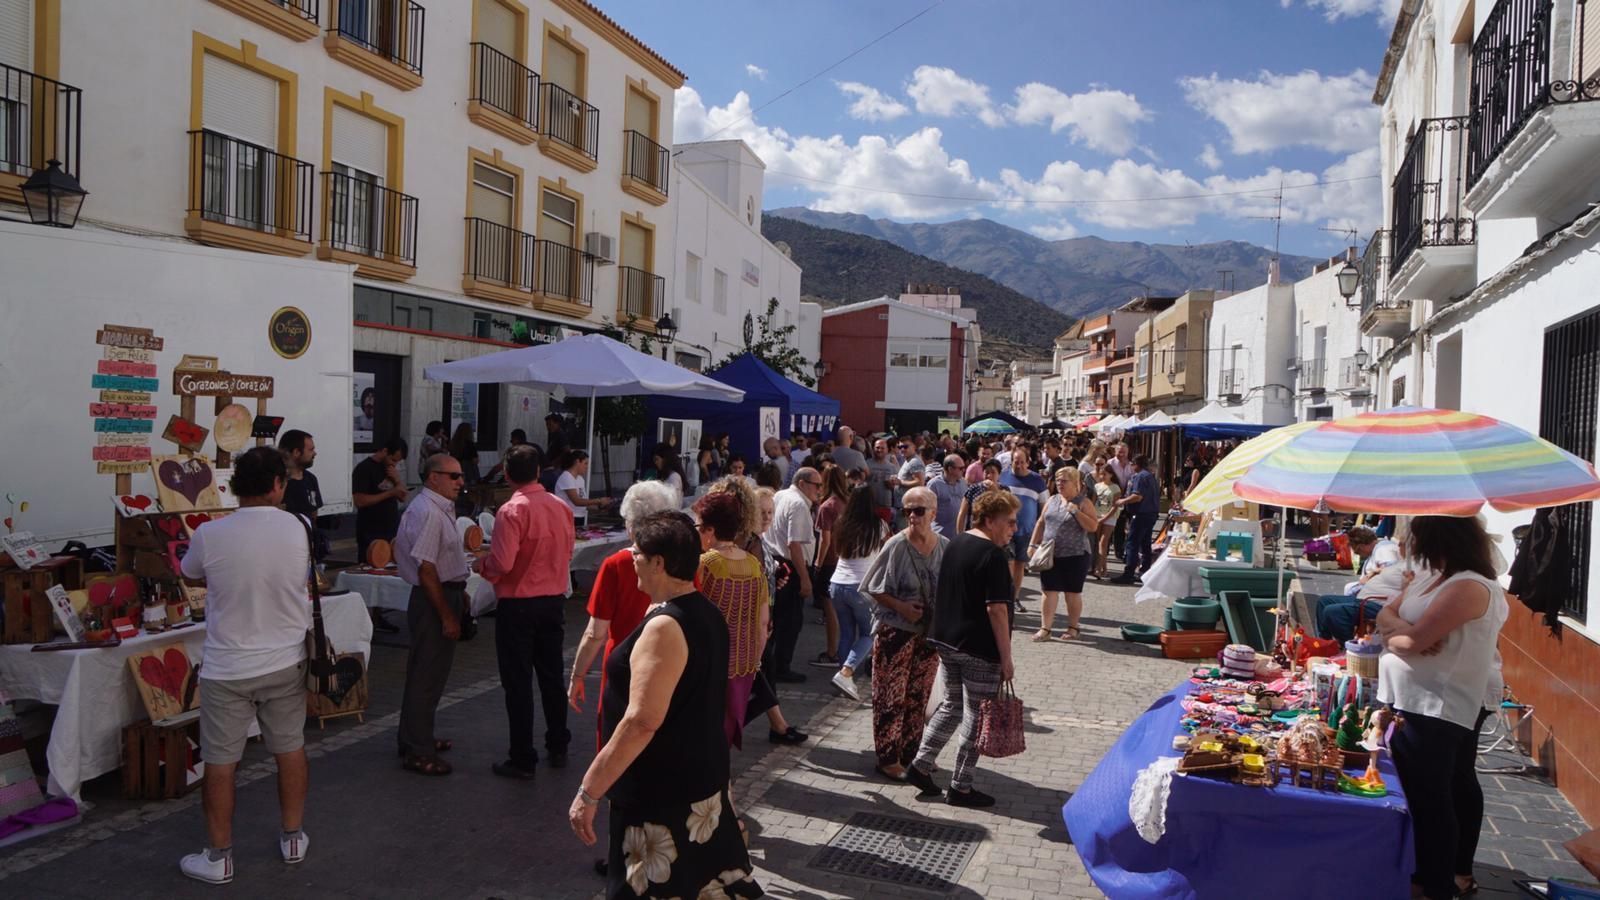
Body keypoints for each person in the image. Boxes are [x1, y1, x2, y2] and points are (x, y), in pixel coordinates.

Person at [567, 512, 761, 900]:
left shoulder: (666, 626)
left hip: (664, 794)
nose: (631, 556)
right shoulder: (702, 613)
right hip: (694, 782)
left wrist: (589, 791)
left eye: (637, 552)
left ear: (659, 562)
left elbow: (641, 721)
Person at [177, 447, 313, 884]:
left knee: (221, 761)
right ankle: (292, 837)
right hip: (285, 659)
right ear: (277, 484)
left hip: (227, 665)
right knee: (289, 748)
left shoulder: (210, 534)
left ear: (235, 486)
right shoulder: (298, 526)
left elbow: (190, 571)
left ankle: (219, 857)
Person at [1375, 516, 1509, 900]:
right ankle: (1423, 873)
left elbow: (1410, 640)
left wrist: (1403, 637)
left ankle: (1437, 883)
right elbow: (1388, 615)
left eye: (1415, 539)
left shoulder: (1469, 585)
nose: (1411, 547)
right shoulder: (1434, 577)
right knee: (1424, 792)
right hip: (1411, 700)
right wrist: (1397, 631)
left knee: (1432, 797)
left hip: (1437, 706)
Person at [903, 490, 1020, 808]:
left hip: (947, 639)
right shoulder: (993, 555)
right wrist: (1006, 657)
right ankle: (961, 786)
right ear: (990, 520)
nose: (1014, 529)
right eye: (1009, 522)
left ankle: (921, 764)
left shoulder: (957, 541)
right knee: (976, 716)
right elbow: (996, 609)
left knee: (952, 706)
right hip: (977, 647)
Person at [481, 444, 576, 779]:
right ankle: (558, 744)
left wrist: (485, 567)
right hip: (552, 601)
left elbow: (503, 563)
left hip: (518, 605)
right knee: (551, 677)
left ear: (507, 474)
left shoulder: (511, 511)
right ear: (538, 471)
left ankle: (523, 756)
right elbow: (568, 551)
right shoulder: (559, 506)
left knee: (518, 683)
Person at [567, 480, 685, 745]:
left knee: (616, 739)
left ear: (632, 523)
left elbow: (595, 632)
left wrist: (577, 675)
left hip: (624, 664)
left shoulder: (617, 564)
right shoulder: (684, 561)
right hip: (670, 664)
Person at [859, 484, 947, 781]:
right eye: (906, 510)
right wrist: (901, 607)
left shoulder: (945, 547)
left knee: (918, 696)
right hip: (895, 632)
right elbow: (871, 587)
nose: (912, 516)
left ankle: (912, 754)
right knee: (890, 695)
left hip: (929, 633)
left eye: (918, 510)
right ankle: (887, 758)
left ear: (933, 513)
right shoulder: (896, 545)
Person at [394, 451, 471, 776]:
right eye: (453, 476)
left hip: (440, 596)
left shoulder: (437, 508)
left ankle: (416, 737)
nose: (460, 482)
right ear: (433, 477)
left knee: (428, 675)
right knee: (426, 677)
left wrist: (459, 593)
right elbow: (427, 569)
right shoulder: (428, 511)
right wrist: (446, 615)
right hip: (432, 600)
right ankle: (418, 751)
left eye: (461, 476)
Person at [692, 490, 769, 748]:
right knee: (725, 731)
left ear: (710, 529)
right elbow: (762, 622)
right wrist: (756, 659)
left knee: (703, 730)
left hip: (709, 662)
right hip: (744, 662)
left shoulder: (706, 563)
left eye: (699, 526)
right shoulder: (754, 565)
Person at [744, 485, 810, 745]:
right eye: (762, 512)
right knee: (763, 685)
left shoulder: (759, 541)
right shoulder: (747, 543)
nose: (768, 517)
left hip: (763, 625)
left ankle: (777, 726)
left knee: (765, 683)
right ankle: (725, 731)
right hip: (752, 629)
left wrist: (776, 575)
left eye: (771, 512)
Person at [828, 485, 889, 702]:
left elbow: (836, 551)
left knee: (846, 633)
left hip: (837, 583)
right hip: (861, 586)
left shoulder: (842, 523)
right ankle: (846, 673)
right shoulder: (878, 526)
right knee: (869, 634)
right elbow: (884, 553)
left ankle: (842, 679)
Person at [764, 466, 821, 683]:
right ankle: (780, 667)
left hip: (777, 562)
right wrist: (805, 579)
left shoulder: (781, 495)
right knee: (790, 621)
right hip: (790, 565)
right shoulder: (797, 503)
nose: (819, 490)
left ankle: (771, 666)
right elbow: (794, 544)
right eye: (816, 485)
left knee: (778, 618)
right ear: (802, 484)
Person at [1028, 468, 1099, 641]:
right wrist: (1032, 544)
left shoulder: (1084, 502)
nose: (1059, 483)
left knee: (1072, 592)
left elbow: (1093, 527)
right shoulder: (1052, 499)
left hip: (1075, 554)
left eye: (1064, 481)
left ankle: (1073, 627)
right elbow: (1041, 522)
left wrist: (1076, 511)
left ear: (1075, 483)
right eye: (1058, 480)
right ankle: (1045, 629)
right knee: (1048, 590)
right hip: (1050, 554)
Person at [1316, 524, 1405, 643]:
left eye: (1358, 551)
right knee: (1324, 601)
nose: (1358, 554)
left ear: (1363, 545)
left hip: (1379, 601)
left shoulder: (1383, 549)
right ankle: (1324, 642)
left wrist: (1371, 575)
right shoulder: (1377, 550)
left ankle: (1347, 646)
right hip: (1366, 598)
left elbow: (1390, 567)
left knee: (1333, 612)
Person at [808, 465, 852, 668]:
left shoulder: (826, 506)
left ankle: (833, 652)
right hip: (846, 559)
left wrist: (817, 563)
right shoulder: (848, 502)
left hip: (829, 561)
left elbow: (825, 540)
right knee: (842, 610)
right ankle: (842, 650)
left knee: (830, 609)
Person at [1000, 449, 1048, 608]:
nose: (1019, 465)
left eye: (1022, 462)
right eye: (1016, 461)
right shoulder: (1003, 477)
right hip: (1005, 530)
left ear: (1028, 462)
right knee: (1008, 563)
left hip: (1027, 531)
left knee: (1020, 564)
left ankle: (1015, 597)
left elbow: (1044, 506)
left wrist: (1041, 531)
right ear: (1011, 461)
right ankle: (1006, 596)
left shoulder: (1037, 480)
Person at [351, 437, 408, 564]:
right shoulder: (364, 468)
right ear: (384, 451)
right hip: (370, 530)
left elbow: (403, 497)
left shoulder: (391, 470)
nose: (393, 464)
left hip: (391, 528)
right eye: (392, 459)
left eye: (397, 462)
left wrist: (397, 480)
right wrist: (390, 493)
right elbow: (359, 501)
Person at [278, 429, 326, 562]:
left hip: (308, 548)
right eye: (311, 449)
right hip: (284, 548)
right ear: (296, 453)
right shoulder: (278, 482)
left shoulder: (311, 479)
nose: (315, 453)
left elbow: (314, 513)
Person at [1111, 454, 1160, 584]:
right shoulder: (1150, 477)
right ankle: (1145, 570)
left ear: (1136, 464)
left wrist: (1122, 501)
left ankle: (1129, 572)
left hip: (1141, 514)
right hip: (1150, 514)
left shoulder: (1140, 476)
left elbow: (1137, 496)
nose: (1131, 466)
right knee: (1145, 544)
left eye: (1132, 464)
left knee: (1132, 543)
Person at [554, 450, 614, 527]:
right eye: (585, 463)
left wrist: (600, 506)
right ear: (577, 462)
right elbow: (577, 501)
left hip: (579, 517)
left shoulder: (580, 479)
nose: (587, 467)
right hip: (567, 518)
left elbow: (584, 503)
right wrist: (599, 500)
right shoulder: (566, 477)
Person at [1091, 466, 1123, 580]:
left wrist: (1105, 518)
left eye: (1105, 474)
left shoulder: (1115, 488)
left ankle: (1098, 569)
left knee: (1103, 542)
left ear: (1111, 475)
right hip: (1097, 515)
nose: (1102, 476)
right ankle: (1104, 568)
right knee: (1099, 542)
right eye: (1101, 474)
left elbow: (1115, 506)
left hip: (1110, 517)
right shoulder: (1097, 486)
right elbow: (1094, 502)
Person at [929, 454, 966, 537]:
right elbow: (927, 510)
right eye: (960, 468)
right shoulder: (934, 485)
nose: (963, 470)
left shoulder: (963, 482)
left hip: (959, 535)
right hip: (940, 535)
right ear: (950, 469)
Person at [449, 423, 481, 516]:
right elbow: (475, 460)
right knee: (472, 491)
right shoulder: (470, 444)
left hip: (457, 469)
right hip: (469, 470)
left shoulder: (454, 444)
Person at [867, 439, 899, 524]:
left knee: (884, 533)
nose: (879, 450)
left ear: (887, 450)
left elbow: (897, 487)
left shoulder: (892, 467)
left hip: (885, 506)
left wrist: (891, 485)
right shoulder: (866, 464)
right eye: (877, 448)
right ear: (873, 449)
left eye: (882, 448)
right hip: (868, 505)